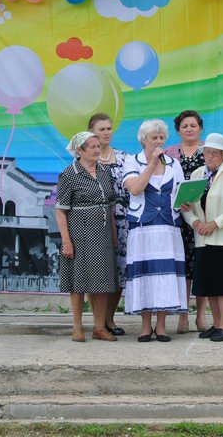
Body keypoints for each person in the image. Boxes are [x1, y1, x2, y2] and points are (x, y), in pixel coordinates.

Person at [123, 119, 188, 342]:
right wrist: (151, 164)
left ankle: (161, 326)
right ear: (144, 140)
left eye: (161, 138)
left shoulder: (174, 164)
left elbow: (179, 196)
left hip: (168, 228)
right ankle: (144, 325)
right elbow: (135, 188)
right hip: (142, 228)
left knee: (165, 275)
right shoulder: (132, 161)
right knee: (145, 274)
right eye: (154, 138)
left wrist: (186, 202)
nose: (159, 141)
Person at [181, 133, 223, 342]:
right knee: (209, 283)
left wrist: (216, 223)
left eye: (214, 153)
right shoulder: (197, 174)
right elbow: (186, 204)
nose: (209, 156)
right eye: (206, 152)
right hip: (204, 237)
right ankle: (215, 324)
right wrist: (195, 222)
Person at [55, 132, 119, 342]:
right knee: (78, 281)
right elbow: (61, 210)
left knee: (102, 280)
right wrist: (66, 241)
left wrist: (113, 234)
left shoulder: (103, 171)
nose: (96, 149)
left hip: (102, 234)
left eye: (97, 146)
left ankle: (99, 328)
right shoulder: (69, 174)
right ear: (79, 151)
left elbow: (109, 206)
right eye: (90, 146)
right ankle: (77, 327)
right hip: (79, 233)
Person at [164, 110, 208, 334]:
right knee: (183, 268)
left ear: (200, 128)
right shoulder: (169, 153)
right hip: (178, 218)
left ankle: (201, 316)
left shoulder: (209, 151)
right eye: (184, 126)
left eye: (193, 125)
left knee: (201, 267)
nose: (189, 129)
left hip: (203, 217)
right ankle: (182, 316)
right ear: (178, 130)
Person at [88, 113, 129, 337]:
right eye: (101, 129)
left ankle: (110, 318)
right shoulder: (85, 160)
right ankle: (97, 321)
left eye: (109, 129)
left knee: (119, 271)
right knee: (97, 271)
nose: (106, 133)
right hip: (94, 222)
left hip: (122, 221)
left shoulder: (124, 158)